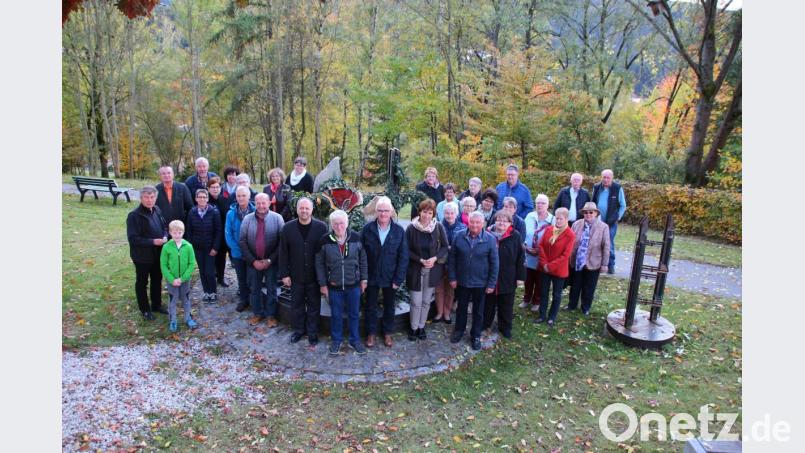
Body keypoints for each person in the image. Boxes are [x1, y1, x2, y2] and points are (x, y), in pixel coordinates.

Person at [316, 210, 368, 357]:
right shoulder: (325, 240)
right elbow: (319, 264)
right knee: (336, 315)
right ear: (331, 225)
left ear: (347, 223)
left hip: (354, 285)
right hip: (334, 286)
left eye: (341, 223)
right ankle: (336, 340)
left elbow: (363, 260)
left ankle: (354, 340)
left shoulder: (356, 238)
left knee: (354, 314)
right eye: (335, 224)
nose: (339, 227)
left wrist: (364, 279)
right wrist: (322, 284)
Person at [279, 197, 328, 346]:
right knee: (297, 305)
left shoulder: (321, 227)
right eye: (301, 208)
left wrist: (324, 277)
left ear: (312, 210)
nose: (304, 211)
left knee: (314, 306)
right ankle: (299, 330)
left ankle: (312, 332)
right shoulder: (288, 228)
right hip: (296, 275)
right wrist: (284, 274)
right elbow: (283, 253)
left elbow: (326, 253)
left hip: (314, 276)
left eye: (307, 208)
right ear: (297, 209)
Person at [361, 196, 408, 348]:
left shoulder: (399, 231)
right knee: (370, 306)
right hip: (371, 275)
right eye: (380, 210)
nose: (383, 214)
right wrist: (363, 277)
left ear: (391, 212)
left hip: (390, 276)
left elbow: (403, 257)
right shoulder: (367, 229)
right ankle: (371, 333)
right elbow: (361, 255)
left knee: (389, 306)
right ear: (376, 212)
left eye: (386, 211)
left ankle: (387, 332)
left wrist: (398, 279)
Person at [448, 211, 499, 351]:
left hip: (481, 283)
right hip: (462, 281)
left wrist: (491, 283)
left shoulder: (490, 239)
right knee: (461, 308)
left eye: (477, 222)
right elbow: (452, 259)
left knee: (478, 311)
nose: (474, 225)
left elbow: (495, 263)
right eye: (472, 222)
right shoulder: (459, 236)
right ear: (468, 222)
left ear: (483, 223)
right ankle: (459, 331)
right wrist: (452, 277)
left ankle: (475, 336)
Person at [405, 199, 449, 341]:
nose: (427, 215)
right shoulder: (411, 228)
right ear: (419, 212)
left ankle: (421, 326)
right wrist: (420, 260)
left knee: (425, 301)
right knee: (416, 302)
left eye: (430, 213)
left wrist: (435, 258)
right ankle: (413, 328)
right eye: (424, 212)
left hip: (432, 270)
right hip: (415, 270)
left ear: (433, 214)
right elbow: (405, 249)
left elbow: (445, 247)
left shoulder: (438, 227)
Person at [239, 193, 285, 327]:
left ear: (269, 203)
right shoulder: (247, 219)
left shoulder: (277, 218)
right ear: (255, 203)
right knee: (254, 289)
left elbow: (282, 242)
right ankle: (257, 313)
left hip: (271, 261)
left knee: (272, 289)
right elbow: (242, 241)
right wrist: (253, 261)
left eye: (264, 203)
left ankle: (271, 315)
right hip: (253, 261)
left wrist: (270, 260)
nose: (261, 206)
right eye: (258, 203)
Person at [126, 186, 168, 320]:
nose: (149, 200)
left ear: (156, 198)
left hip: (158, 254)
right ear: (141, 198)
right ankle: (145, 309)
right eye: (146, 197)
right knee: (142, 283)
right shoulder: (134, 216)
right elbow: (133, 239)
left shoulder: (157, 210)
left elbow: (164, 226)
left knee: (157, 279)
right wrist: (153, 242)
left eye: (152, 197)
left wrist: (165, 236)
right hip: (142, 256)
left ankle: (156, 305)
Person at [482, 211, 525, 339]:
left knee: (506, 303)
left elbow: (521, 257)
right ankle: (485, 324)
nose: (501, 223)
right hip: (489, 275)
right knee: (488, 303)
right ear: (494, 221)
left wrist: (520, 277)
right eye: (499, 220)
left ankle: (505, 327)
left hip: (508, 276)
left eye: (505, 221)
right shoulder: (487, 234)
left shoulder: (515, 236)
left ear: (510, 223)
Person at [566, 202, 611, 315]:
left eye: (591, 212)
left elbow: (606, 247)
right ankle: (572, 305)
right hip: (577, 260)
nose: (588, 214)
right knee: (575, 285)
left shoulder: (603, 227)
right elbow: (570, 241)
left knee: (589, 286)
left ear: (596, 213)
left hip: (594, 261)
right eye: (586, 212)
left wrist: (605, 264)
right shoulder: (576, 224)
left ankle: (585, 307)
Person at [535, 207, 575, 327]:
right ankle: (542, 315)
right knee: (543, 292)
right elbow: (541, 245)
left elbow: (565, 255)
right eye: (556, 218)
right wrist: (544, 264)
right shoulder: (549, 229)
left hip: (558, 270)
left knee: (557, 295)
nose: (558, 221)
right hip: (545, 268)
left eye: (560, 219)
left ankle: (552, 317)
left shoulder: (570, 235)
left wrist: (550, 266)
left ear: (566, 219)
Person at [159, 220, 198, 332]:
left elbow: (192, 263)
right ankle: (173, 320)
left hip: (185, 279)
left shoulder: (188, 246)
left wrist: (183, 278)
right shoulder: (166, 247)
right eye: (174, 233)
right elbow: (163, 264)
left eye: (179, 232)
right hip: (172, 280)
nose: (177, 235)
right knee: (173, 299)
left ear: (183, 232)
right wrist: (172, 279)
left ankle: (188, 318)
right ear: (170, 232)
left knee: (186, 299)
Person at [185, 188, 222, 301]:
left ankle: (213, 292)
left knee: (209, 272)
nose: (202, 199)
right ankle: (206, 292)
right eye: (199, 197)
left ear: (207, 198)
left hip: (210, 248)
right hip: (197, 248)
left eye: (204, 197)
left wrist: (215, 247)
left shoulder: (214, 212)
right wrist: (190, 247)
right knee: (202, 271)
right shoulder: (192, 212)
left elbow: (218, 231)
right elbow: (189, 231)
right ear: (196, 199)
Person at [521, 194, 554, 312]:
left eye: (543, 203)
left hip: (542, 255)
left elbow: (553, 239)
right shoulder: (530, 216)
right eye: (538, 203)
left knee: (540, 280)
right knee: (528, 279)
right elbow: (523, 232)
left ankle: (536, 301)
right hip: (528, 253)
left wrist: (541, 250)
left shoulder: (552, 220)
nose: (540, 205)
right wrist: (525, 245)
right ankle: (526, 299)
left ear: (548, 205)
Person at [225, 186, 255, 312]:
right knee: (241, 278)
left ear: (249, 196)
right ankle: (244, 300)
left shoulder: (256, 211)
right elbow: (228, 235)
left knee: (253, 278)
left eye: (244, 195)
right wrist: (239, 250)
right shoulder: (231, 214)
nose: (241, 198)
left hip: (253, 253)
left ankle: (254, 300)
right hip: (238, 253)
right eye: (239, 196)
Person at [434, 203, 465, 324]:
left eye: (452, 213)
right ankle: (439, 312)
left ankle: (447, 313)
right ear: (443, 214)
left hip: (454, 264)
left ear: (456, 214)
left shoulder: (462, 228)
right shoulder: (437, 226)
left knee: (450, 289)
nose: (449, 215)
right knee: (438, 288)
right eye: (447, 213)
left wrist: (451, 248)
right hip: (439, 262)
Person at [591, 169, 626, 274]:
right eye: (604, 177)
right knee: (596, 242)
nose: (606, 179)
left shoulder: (617, 188)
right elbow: (593, 202)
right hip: (597, 221)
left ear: (612, 178)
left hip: (611, 222)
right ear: (601, 177)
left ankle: (611, 265)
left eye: (608, 178)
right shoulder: (597, 187)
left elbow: (623, 205)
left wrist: (618, 217)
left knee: (609, 243)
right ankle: (596, 264)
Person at [207, 177, 230, 288]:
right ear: (208, 188)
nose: (215, 189)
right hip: (209, 234)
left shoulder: (225, 199)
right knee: (210, 258)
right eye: (212, 187)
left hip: (222, 234)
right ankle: (210, 279)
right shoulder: (205, 200)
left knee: (221, 257)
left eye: (217, 187)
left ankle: (220, 278)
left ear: (220, 188)